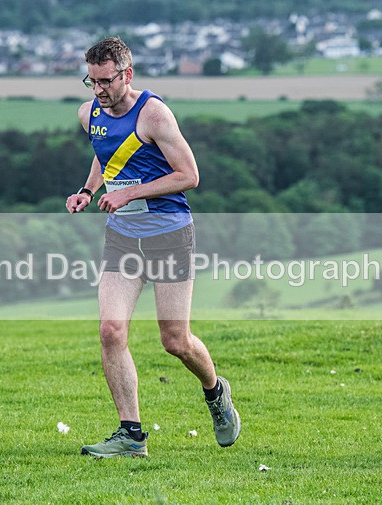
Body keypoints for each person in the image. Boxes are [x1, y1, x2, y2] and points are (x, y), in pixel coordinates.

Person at [65, 37, 240, 457]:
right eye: (92, 81)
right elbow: (105, 155)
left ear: (127, 74)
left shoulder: (154, 114)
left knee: (175, 340)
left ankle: (215, 392)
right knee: (111, 331)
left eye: (106, 81)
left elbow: (190, 175)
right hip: (123, 234)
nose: (99, 91)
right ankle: (131, 435)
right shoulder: (90, 113)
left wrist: (130, 192)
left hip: (169, 232)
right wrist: (88, 191)